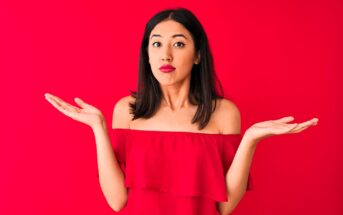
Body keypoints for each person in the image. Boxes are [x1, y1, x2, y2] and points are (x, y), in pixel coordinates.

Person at [44, 7, 318, 215]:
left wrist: (250, 140)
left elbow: (224, 208)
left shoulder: (224, 113)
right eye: (156, 44)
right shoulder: (127, 111)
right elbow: (117, 202)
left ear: (198, 55)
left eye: (178, 43)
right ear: (147, 55)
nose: (166, 55)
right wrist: (98, 128)